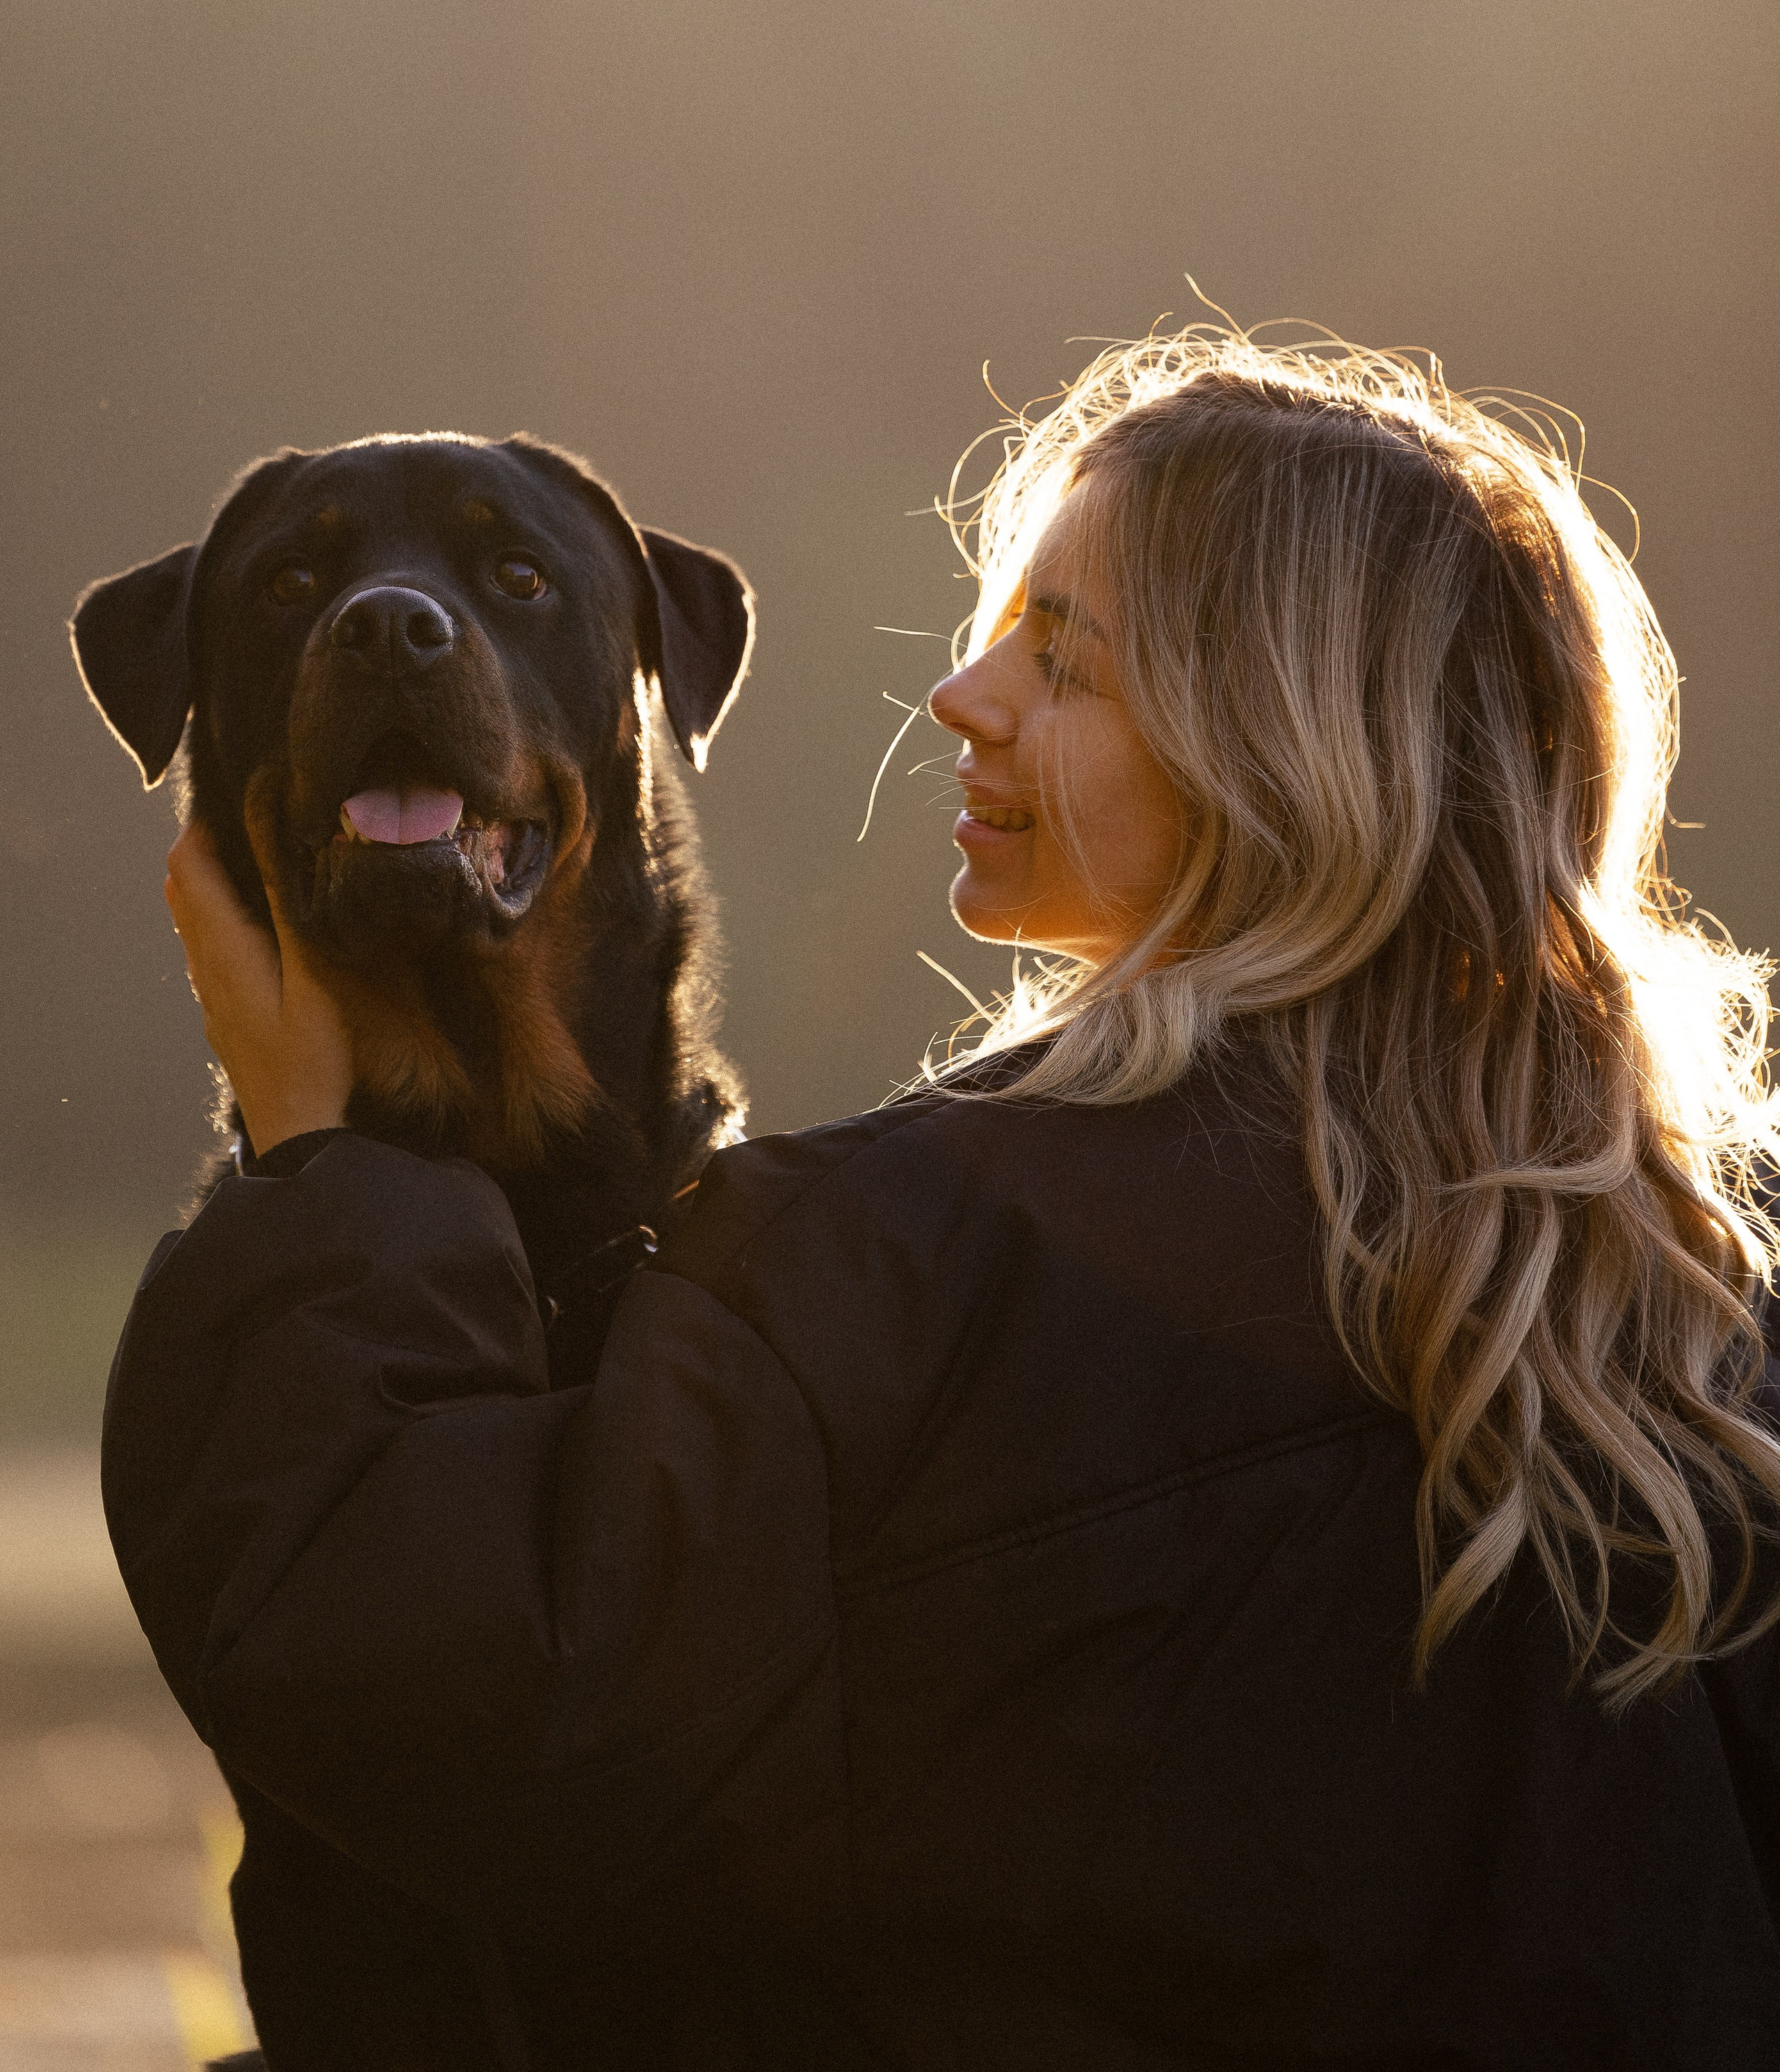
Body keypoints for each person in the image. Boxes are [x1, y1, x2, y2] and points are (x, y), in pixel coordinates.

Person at [106, 332, 1780, 2071]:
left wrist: (313, 1157)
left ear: (1272, 744)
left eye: (1059, 659)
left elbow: (469, 1703)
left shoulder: (918, 1263)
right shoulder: (1691, 1293)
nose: (960, 698)